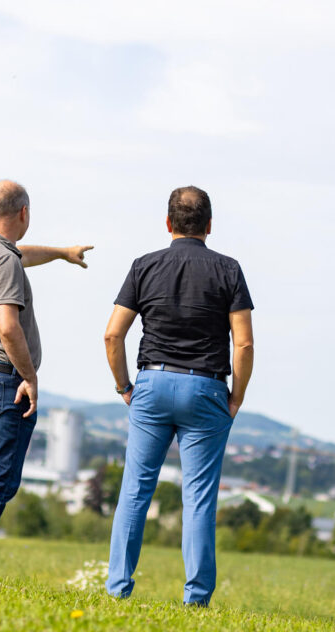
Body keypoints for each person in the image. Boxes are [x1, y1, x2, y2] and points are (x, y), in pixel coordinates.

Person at [104, 185, 255, 606]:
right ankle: (196, 599)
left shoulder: (144, 266)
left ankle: (117, 589)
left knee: (135, 491)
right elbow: (243, 344)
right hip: (206, 388)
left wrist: (124, 387)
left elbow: (113, 333)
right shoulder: (230, 269)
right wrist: (236, 399)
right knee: (199, 496)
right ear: (209, 225)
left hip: (151, 384)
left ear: (169, 224)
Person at [0, 179, 92, 583]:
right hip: (4, 381)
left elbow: (19, 255)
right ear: (24, 214)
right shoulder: (5, 261)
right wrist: (30, 377)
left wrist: (62, 254)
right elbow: (8, 326)